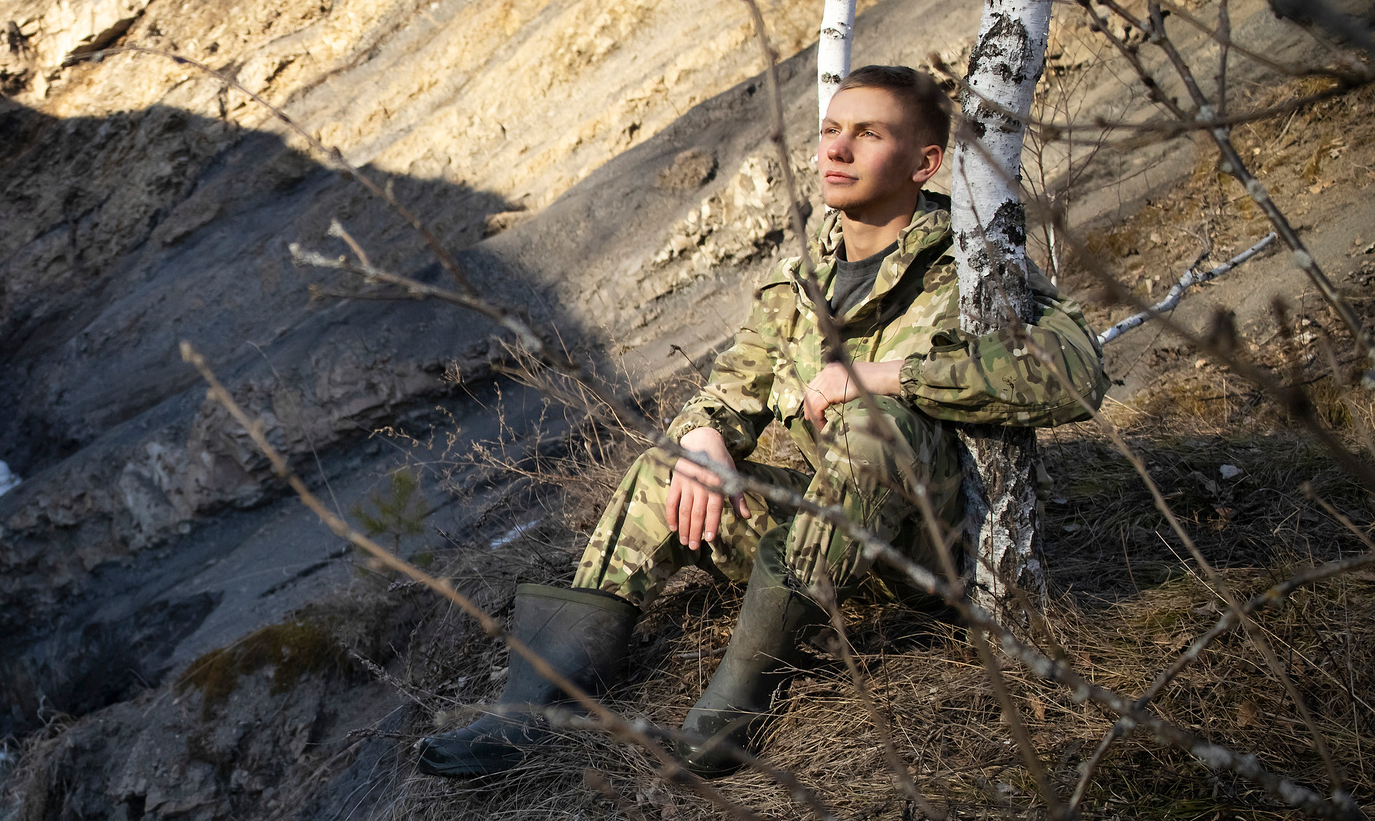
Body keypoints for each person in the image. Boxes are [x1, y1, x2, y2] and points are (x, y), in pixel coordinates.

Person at [417, 64, 1107, 780]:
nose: (836, 150)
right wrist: (706, 441)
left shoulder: (970, 267)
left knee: (878, 420)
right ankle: (530, 713)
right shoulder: (798, 285)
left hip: (933, 549)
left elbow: (1076, 376)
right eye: (830, 130)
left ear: (924, 163)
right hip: (826, 546)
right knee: (668, 467)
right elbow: (728, 390)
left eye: (867, 134)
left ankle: (739, 701)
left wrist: (888, 376)